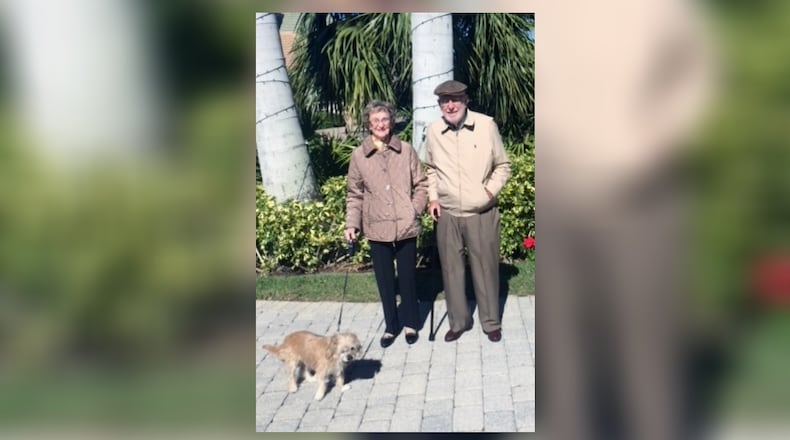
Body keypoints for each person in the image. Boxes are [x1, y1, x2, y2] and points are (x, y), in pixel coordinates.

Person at [423, 80, 511, 343]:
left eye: (456, 100)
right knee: (451, 271)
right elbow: (431, 169)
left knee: (485, 269)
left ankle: (490, 322)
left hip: (481, 213)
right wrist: (433, 198)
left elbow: (503, 165)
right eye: (445, 101)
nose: (451, 105)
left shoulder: (486, 125)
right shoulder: (433, 130)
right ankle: (459, 322)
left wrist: (488, 193)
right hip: (447, 213)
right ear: (440, 104)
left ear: (465, 100)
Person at [345, 100, 429, 347]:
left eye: (384, 119)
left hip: (405, 225)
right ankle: (391, 327)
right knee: (385, 281)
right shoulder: (359, 156)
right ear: (369, 125)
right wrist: (352, 224)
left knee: (408, 278)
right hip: (377, 227)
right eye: (375, 121)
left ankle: (411, 323)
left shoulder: (406, 150)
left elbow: (422, 184)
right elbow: (354, 194)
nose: (381, 124)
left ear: (391, 122)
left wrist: (413, 209)